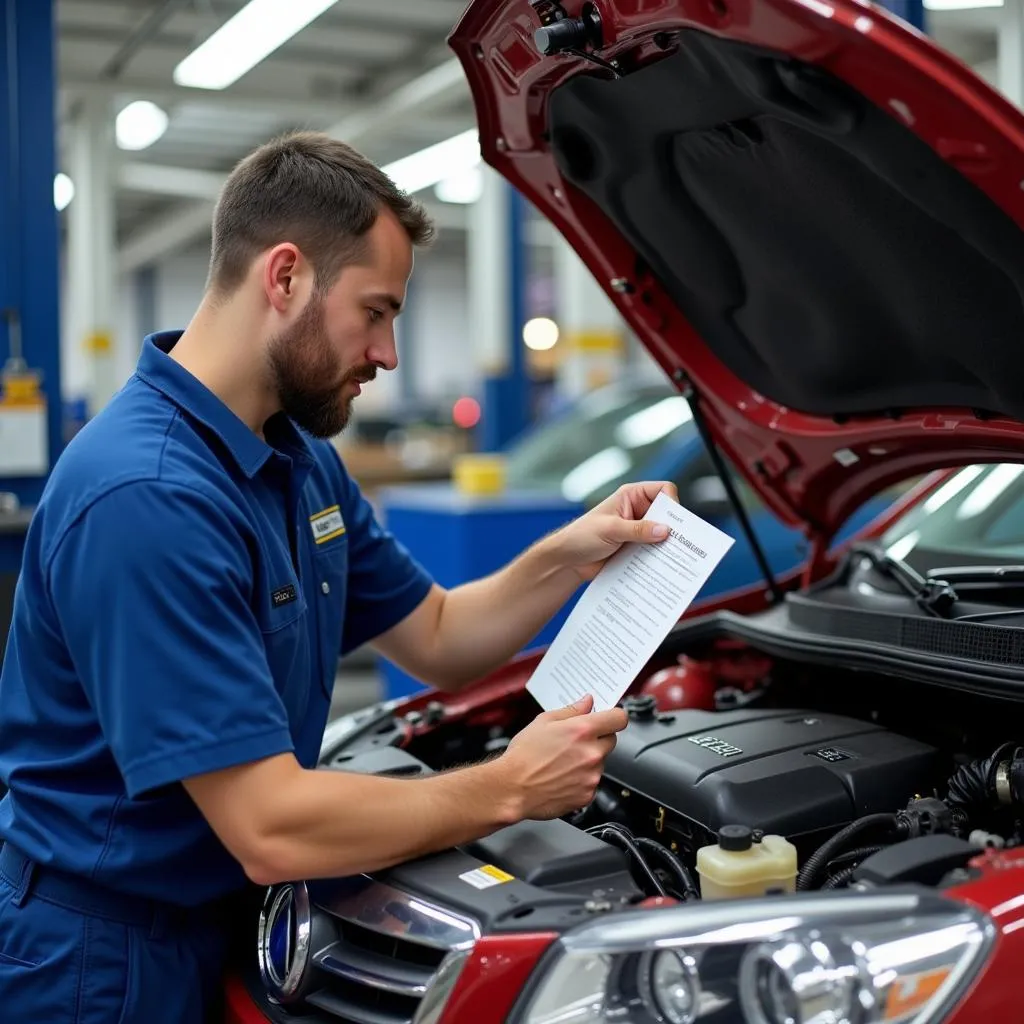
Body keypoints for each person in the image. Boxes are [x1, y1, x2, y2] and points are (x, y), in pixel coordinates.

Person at [0, 130, 677, 1023]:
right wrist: (508, 786)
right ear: (284, 278)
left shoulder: (295, 458)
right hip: (99, 959)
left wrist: (568, 554)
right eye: (378, 311)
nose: (389, 354)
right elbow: (271, 826)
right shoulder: (146, 497)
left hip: (220, 918)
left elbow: (437, 635)